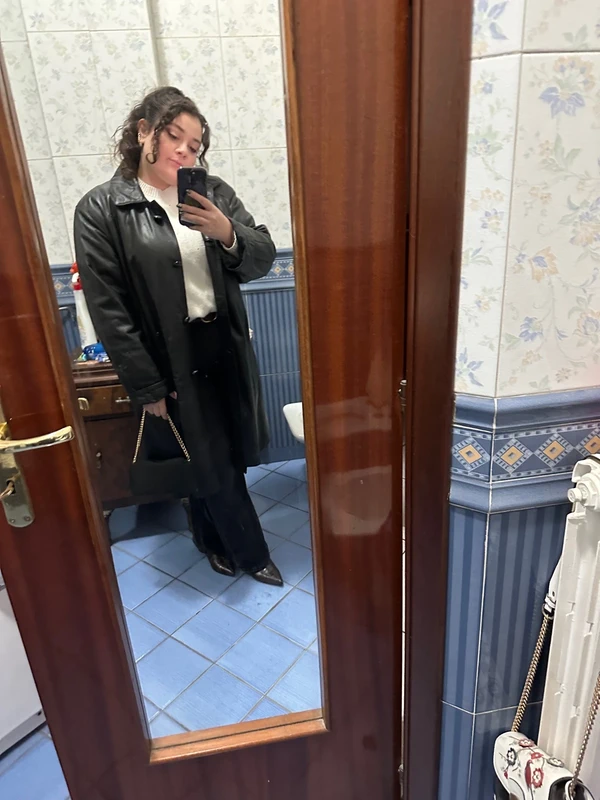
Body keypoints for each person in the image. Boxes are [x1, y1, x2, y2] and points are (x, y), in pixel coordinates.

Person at [74, 86, 282, 587]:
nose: (185, 151)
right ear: (143, 131)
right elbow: (109, 309)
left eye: (195, 144)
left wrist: (226, 231)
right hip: (166, 355)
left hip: (224, 345)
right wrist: (146, 385)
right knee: (209, 456)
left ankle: (208, 536)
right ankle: (252, 554)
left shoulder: (214, 193)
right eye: (174, 136)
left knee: (224, 451)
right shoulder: (102, 209)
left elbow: (261, 257)